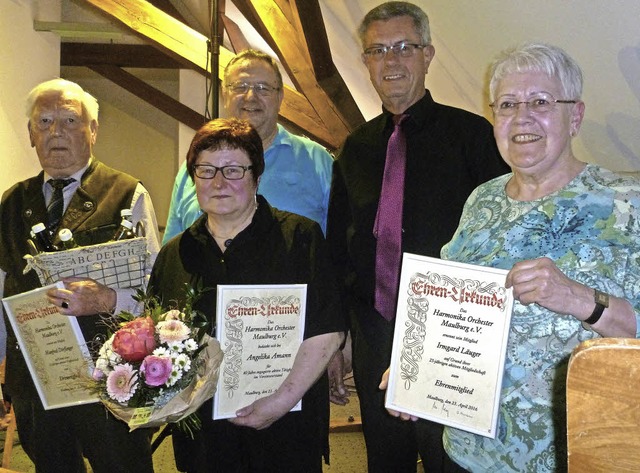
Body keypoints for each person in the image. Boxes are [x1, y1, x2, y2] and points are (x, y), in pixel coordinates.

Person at [384, 42, 640, 471]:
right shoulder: (481, 199)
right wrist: (417, 367)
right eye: (507, 104)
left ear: (574, 116)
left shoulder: (626, 202)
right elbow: (446, 301)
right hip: (467, 450)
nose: (522, 118)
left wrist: (580, 299)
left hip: (571, 453)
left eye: (540, 102)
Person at [326, 2, 510, 472]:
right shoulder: (355, 149)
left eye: (404, 48)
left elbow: (503, 240)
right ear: (366, 62)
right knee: (386, 461)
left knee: (451, 460)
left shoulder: (475, 137)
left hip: (451, 336)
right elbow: (339, 250)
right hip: (374, 333)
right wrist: (341, 334)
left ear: (428, 54)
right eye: (378, 51)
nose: (391, 62)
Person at [148, 118, 345, 472]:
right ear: (193, 178)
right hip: (204, 435)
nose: (219, 182)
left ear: (257, 175)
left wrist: (279, 403)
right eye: (206, 170)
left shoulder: (301, 238)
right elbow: (158, 338)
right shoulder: (175, 254)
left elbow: (328, 331)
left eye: (234, 170)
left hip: (286, 424)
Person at [0, 78, 161, 472]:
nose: (57, 131)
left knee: (123, 466)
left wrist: (108, 300)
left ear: (93, 130)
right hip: (37, 376)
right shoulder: (11, 201)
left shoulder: (129, 194)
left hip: (111, 373)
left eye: (71, 120)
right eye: (46, 121)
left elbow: (155, 290)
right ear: (31, 134)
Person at [162, 49, 333, 243]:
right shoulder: (194, 168)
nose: (251, 96)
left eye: (263, 88)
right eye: (240, 86)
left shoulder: (317, 161)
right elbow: (173, 252)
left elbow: (340, 249)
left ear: (280, 97)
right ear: (225, 93)